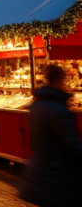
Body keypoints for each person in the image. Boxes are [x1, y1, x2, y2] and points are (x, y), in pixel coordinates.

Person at [20, 64, 82, 206]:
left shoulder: (36, 106)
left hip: (39, 173)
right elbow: (72, 145)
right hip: (58, 176)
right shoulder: (59, 109)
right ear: (60, 79)